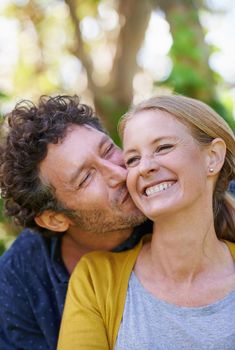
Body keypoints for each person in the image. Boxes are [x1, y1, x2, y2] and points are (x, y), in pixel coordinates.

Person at [58, 94, 235, 350]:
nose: (145, 167)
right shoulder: (96, 279)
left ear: (213, 157)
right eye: (132, 159)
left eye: (163, 147)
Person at [0, 95, 151, 350]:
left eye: (108, 150)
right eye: (86, 178)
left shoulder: (178, 197)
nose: (119, 173)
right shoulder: (18, 280)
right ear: (55, 219)